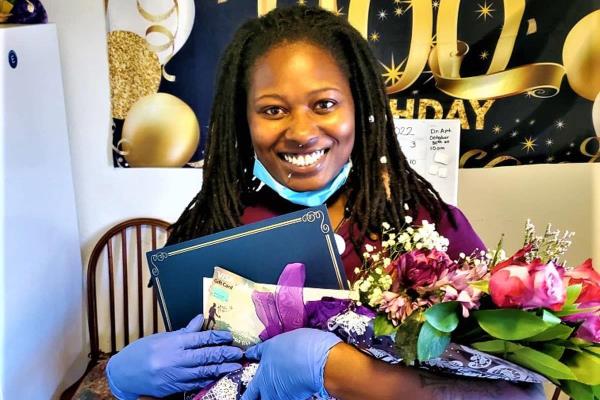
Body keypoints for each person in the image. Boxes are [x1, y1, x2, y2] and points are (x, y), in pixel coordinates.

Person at [106, 5, 545, 400]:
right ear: (244, 119)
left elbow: (520, 392)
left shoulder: (429, 225)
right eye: (273, 110)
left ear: (359, 106)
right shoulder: (216, 227)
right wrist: (128, 381)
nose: (300, 131)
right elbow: (197, 384)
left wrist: (338, 372)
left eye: (324, 104)